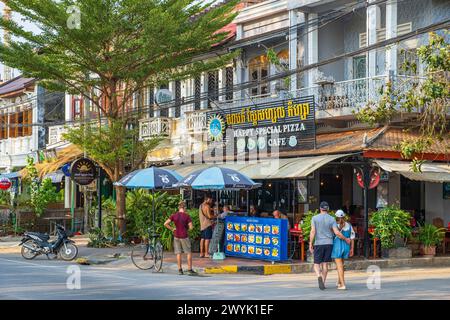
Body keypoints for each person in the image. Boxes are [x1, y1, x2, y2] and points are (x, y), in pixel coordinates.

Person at [309, 201, 351, 290]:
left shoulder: (314, 218)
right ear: (327, 209)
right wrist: (346, 239)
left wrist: (310, 243)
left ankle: (318, 275)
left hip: (318, 243)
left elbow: (313, 231)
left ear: (320, 208)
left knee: (316, 263)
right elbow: (337, 233)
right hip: (329, 243)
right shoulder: (332, 219)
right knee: (325, 264)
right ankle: (323, 282)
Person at [164, 201, 196, 275]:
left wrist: (172, 229)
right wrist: (187, 229)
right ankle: (189, 269)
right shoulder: (187, 216)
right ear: (184, 208)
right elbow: (191, 227)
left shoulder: (174, 215)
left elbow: (165, 223)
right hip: (184, 236)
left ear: (179, 208)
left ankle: (180, 270)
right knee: (188, 252)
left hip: (176, 236)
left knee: (178, 253)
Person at [331, 210, 355, 290]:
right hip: (346, 247)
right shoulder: (349, 225)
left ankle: (343, 284)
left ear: (336, 217)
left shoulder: (334, 225)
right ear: (344, 216)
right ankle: (339, 282)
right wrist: (352, 249)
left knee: (339, 266)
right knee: (341, 265)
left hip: (338, 246)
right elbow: (352, 238)